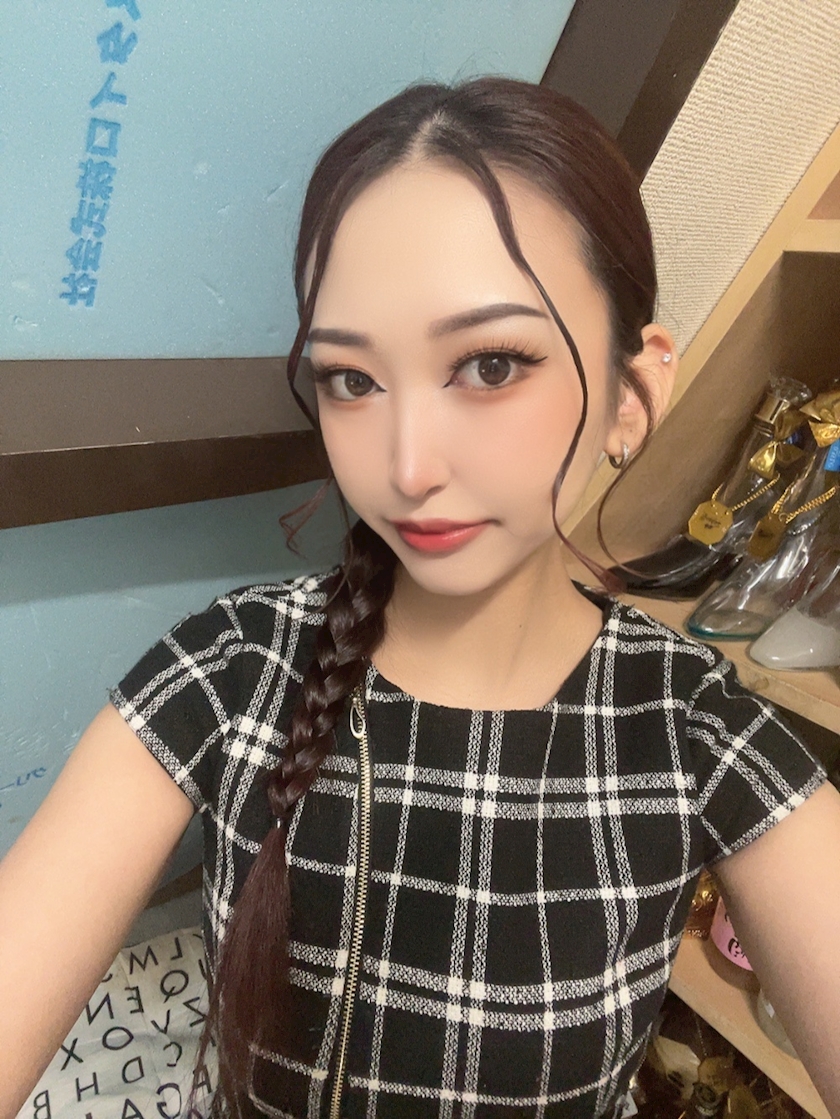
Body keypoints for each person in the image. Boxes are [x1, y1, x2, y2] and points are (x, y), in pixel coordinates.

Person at [1, 78, 839, 1119]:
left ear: (634, 391)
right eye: (352, 380)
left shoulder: (690, 725)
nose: (405, 467)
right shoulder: (231, 669)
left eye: (491, 364)